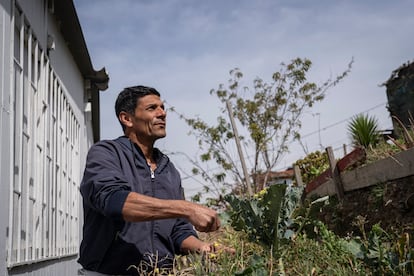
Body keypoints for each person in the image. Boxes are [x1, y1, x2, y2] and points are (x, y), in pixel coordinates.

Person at [78, 85, 221, 275]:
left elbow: (179, 230)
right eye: (152, 108)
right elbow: (113, 200)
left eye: (162, 108)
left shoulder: (168, 170)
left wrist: (204, 248)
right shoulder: (106, 153)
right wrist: (187, 208)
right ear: (126, 118)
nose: (162, 114)